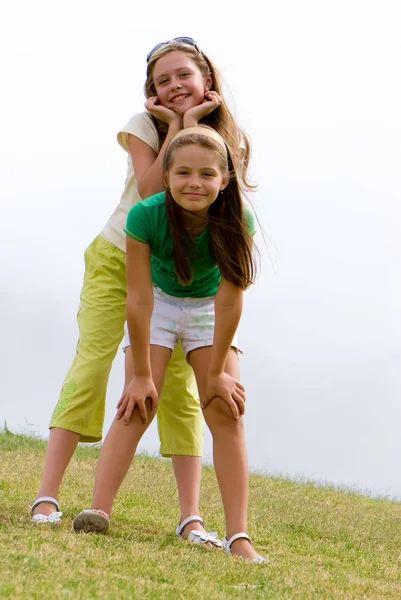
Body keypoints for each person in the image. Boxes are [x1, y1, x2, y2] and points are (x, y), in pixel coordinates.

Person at [31, 37, 253, 547]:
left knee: (179, 392)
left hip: (186, 277)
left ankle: (192, 518)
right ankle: (49, 496)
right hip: (123, 256)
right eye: (162, 81)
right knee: (96, 366)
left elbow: (219, 218)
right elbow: (156, 192)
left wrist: (194, 126)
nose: (174, 86)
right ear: (150, 93)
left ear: (208, 80)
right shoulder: (142, 127)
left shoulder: (226, 139)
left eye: (183, 76)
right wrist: (178, 125)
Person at [72, 126, 266, 563]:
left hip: (208, 310)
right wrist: (141, 373)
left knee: (225, 410)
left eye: (206, 174)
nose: (194, 183)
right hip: (158, 303)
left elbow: (231, 298)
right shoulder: (145, 216)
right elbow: (138, 300)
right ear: (168, 177)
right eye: (182, 173)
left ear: (224, 180)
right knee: (137, 403)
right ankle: (98, 509)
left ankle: (239, 537)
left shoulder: (238, 220)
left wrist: (216, 372)